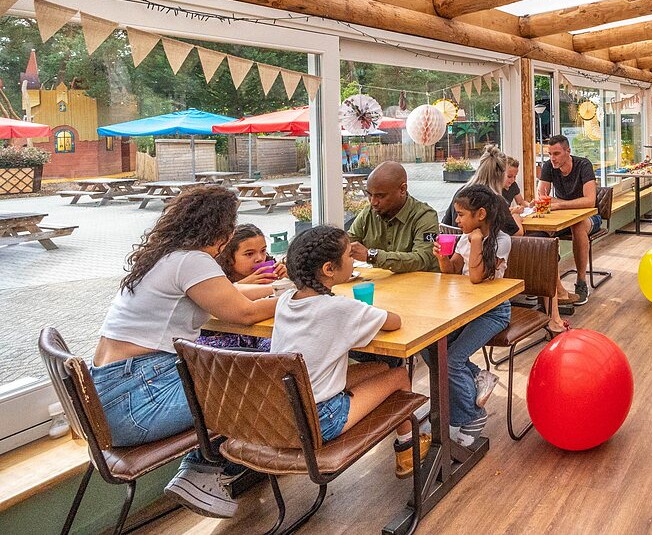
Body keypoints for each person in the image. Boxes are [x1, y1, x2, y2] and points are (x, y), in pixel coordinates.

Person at [90, 185, 278, 519]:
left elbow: (229, 293)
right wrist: (301, 300)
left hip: (112, 396)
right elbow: (243, 313)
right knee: (261, 382)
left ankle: (207, 468)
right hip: (137, 400)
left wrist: (276, 289)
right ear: (222, 229)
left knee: (236, 372)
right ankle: (203, 469)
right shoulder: (193, 260)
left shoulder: (168, 256)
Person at [271, 226, 430, 477]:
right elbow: (394, 321)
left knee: (380, 368)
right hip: (321, 418)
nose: (353, 259)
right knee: (399, 375)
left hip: (283, 410)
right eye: (348, 255)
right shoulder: (340, 309)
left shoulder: (285, 300)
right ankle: (408, 449)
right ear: (328, 269)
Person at [435, 185, 513, 448]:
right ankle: (480, 375)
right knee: (434, 350)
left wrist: (477, 242)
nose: (456, 221)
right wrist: (443, 257)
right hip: (465, 309)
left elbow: (478, 278)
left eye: (460, 215)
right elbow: (452, 271)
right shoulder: (464, 238)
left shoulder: (501, 241)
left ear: (480, 214)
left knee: (451, 360)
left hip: (493, 312)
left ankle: (471, 416)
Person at [198, 224, 284, 351]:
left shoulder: (271, 273)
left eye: (263, 251)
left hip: (259, 336)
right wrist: (245, 284)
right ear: (228, 256)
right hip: (223, 340)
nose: (260, 259)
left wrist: (287, 277)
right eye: (249, 254)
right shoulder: (215, 277)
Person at [537, 135, 600, 306]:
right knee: (541, 231)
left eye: (556, 153)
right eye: (550, 154)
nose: (552, 158)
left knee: (577, 226)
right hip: (564, 217)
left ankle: (581, 281)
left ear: (568, 151)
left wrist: (559, 204)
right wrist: (545, 201)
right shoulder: (549, 166)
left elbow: (590, 201)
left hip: (590, 216)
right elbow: (542, 195)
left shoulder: (583, 165)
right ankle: (545, 284)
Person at [347, 161, 441, 272]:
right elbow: (347, 241)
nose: (373, 202)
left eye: (380, 196)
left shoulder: (425, 216)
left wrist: (372, 256)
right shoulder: (368, 213)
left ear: (402, 189)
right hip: (383, 285)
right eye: (369, 194)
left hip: (422, 285)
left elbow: (422, 260)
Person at [443, 145, 522, 235]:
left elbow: (445, 225)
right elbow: (517, 234)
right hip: (483, 247)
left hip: (457, 245)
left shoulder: (461, 192)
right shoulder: (495, 200)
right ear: (501, 174)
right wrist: (516, 217)